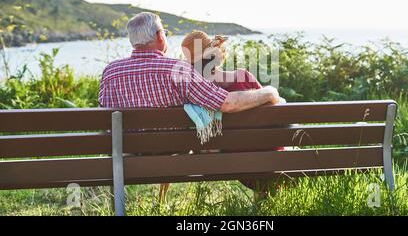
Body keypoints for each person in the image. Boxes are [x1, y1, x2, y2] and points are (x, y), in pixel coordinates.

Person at [98, 12, 280, 202]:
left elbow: (105, 118)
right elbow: (225, 103)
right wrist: (268, 93)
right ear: (160, 36)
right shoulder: (178, 69)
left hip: (127, 156)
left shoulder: (110, 71)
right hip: (172, 153)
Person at [181, 30, 284, 200]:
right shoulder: (243, 77)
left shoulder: (193, 90)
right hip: (267, 154)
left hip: (230, 158)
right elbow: (272, 107)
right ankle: (263, 197)